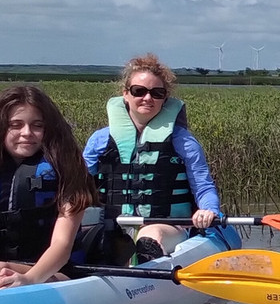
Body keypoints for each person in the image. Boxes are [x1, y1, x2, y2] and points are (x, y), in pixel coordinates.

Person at [83, 53, 221, 262]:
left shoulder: (183, 141)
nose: (148, 98)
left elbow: (203, 186)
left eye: (157, 93)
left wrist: (209, 211)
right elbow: (78, 184)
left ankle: (144, 281)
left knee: (149, 236)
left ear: (164, 98)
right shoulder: (100, 140)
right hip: (113, 225)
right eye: (139, 91)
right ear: (125, 94)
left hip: (167, 227)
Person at [0, 85, 99, 290]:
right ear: (0, 127)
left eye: (37, 125)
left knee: (7, 270)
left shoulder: (68, 169)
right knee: (2, 268)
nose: (27, 133)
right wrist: (0, 281)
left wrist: (29, 280)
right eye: (16, 124)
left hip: (55, 272)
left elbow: (62, 243)